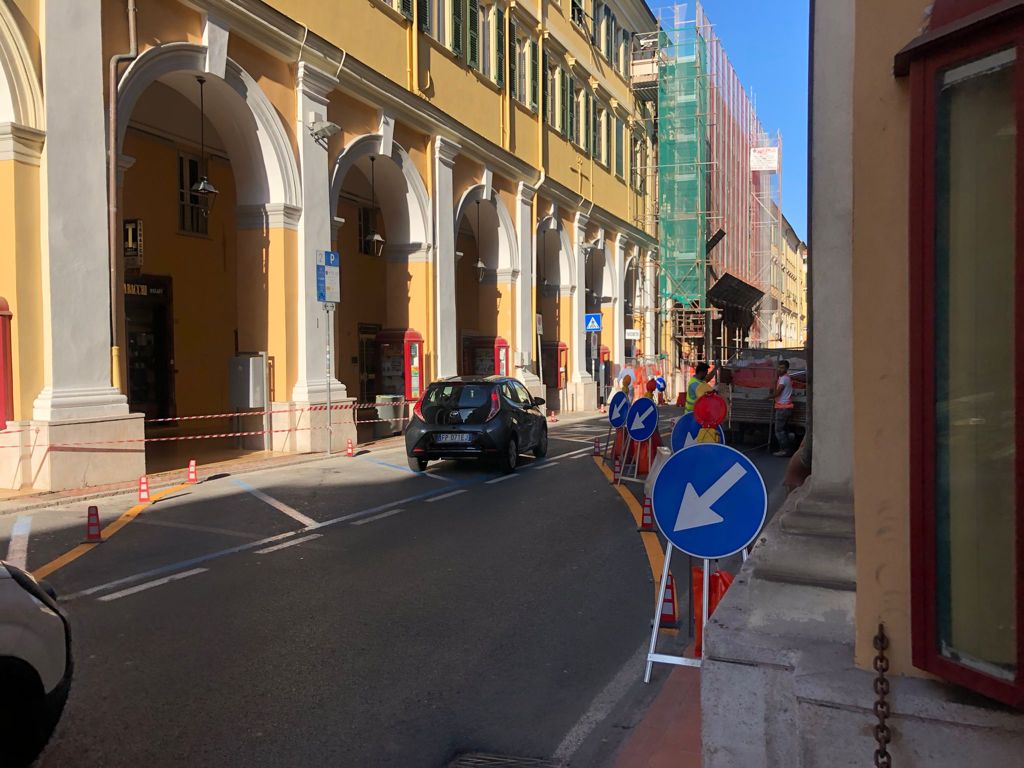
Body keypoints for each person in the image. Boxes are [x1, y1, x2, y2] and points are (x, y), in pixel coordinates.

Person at [771, 359, 795, 457]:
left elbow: (778, 393)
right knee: (784, 430)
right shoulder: (783, 378)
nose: (780, 369)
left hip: (783, 408)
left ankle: (785, 450)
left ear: (786, 369)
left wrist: (768, 397)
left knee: (779, 431)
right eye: (779, 367)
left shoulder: (784, 379)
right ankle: (788, 449)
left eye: (782, 368)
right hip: (785, 407)